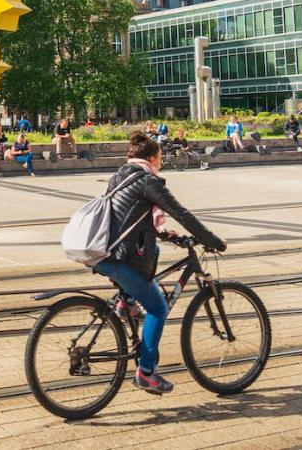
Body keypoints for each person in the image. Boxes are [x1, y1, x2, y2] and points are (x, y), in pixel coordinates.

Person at [93, 133, 227, 395]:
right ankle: (146, 372)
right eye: (160, 158)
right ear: (154, 158)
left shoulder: (121, 175)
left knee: (143, 283)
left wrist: (168, 236)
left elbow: (132, 219)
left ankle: (127, 304)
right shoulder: (148, 181)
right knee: (157, 308)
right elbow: (181, 213)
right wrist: (212, 240)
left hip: (105, 252)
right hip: (122, 258)